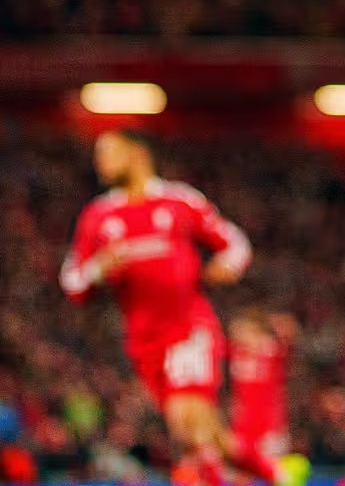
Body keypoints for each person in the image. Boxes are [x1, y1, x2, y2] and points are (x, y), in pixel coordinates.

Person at [59, 130, 293, 486]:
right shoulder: (98, 215)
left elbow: (234, 242)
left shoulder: (178, 200)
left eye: (108, 153)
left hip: (188, 329)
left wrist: (228, 263)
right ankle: (276, 475)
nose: (100, 163)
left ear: (138, 154)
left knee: (189, 425)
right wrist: (99, 269)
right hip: (144, 343)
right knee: (212, 439)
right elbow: (72, 282)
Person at [229, 309, 301, 464]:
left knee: (272, 467)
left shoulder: (271, 350)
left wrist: (274, 322)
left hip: (270, 424)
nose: (238, 336)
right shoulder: (237, 351)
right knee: (240, 467)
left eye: (243, 331)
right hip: (242, 424)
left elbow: (290, 334)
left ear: (256, 332)